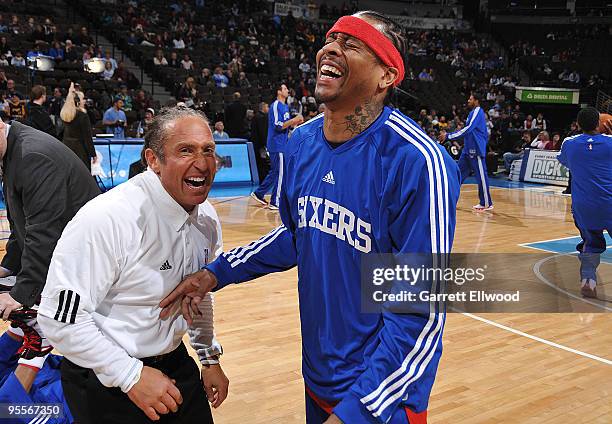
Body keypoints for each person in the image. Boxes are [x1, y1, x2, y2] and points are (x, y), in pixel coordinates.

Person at [161, 11, 460, 424]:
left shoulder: (420, 161)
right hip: (318, 376)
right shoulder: (302, 142)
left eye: (352, 43)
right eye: (331, 37)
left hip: (383, 398)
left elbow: (421, 310)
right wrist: (216, 273)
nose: (331, 47)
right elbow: (297, 235)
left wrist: (360, 410)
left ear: (386, 76)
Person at [38, 107, 229, 423]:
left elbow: (199, 294)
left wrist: (208, 357)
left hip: (173, 363)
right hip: (104, 374)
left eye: (208, 150)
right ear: (153, 160)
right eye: (186, 150)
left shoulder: (206, 217)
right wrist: (130, 375)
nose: (203, 163)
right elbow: (58, 320)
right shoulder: (107, 219)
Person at [0, 117, 100, 316]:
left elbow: (44, 232)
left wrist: (21, 294)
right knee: (26, 331)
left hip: (87, 268)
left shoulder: (32, 156)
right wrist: (8, 266)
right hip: (68, 259)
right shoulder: (14, 150)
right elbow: (22, 222)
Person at [557, 107, 612, 299]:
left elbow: (564, 161)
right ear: (599, 123)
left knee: (591, 242)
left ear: (578, 124)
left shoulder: (569, 144)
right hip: (609, 203)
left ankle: (588, 279)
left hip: (584, 206)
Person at [0, 307, 73, 424]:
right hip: (65, 404)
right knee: (6, 410)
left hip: (46, 373)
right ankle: (37, 349)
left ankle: (24, 327)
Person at [250, 83, 303, 210]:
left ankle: (259, 193)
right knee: (280, 173)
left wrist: (295, 123)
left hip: (283, 143)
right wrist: (294, 120)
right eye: (285, 89)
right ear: (279, 92)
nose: (287, 91)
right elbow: (278, 125)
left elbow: (287, 126)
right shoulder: (275, 105)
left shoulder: (285, 107)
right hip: (276, 143)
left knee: (276, 172)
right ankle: (275, 201)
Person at [439, 93, 493, 211]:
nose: (468, 100)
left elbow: (468, 129)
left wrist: (448, 136)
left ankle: (486, 203)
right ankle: (448, 199)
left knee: (481, 176)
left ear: (477, 101)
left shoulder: (478, 111)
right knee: (457, 174)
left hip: (476, 149)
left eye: (470, 99)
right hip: (467, 149)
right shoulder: (471, 113)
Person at [60, 83, 95, 171]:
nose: (84, 101)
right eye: (83, 99)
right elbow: (87, 138)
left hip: (65, 148)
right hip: (80, 151)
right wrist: (93, 154)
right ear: (78, 102)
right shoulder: (82, 116)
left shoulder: (64, 114)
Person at [250, 102, 270, 181]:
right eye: (267, 107)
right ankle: (264, 179)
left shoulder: (256, 117)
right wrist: (265, 143)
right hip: (261, 145)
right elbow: (263, 132)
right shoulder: (262, 117)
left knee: (259, 162)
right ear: (263, 108)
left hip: (256, 143)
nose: (268, 109)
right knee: (263, 162)